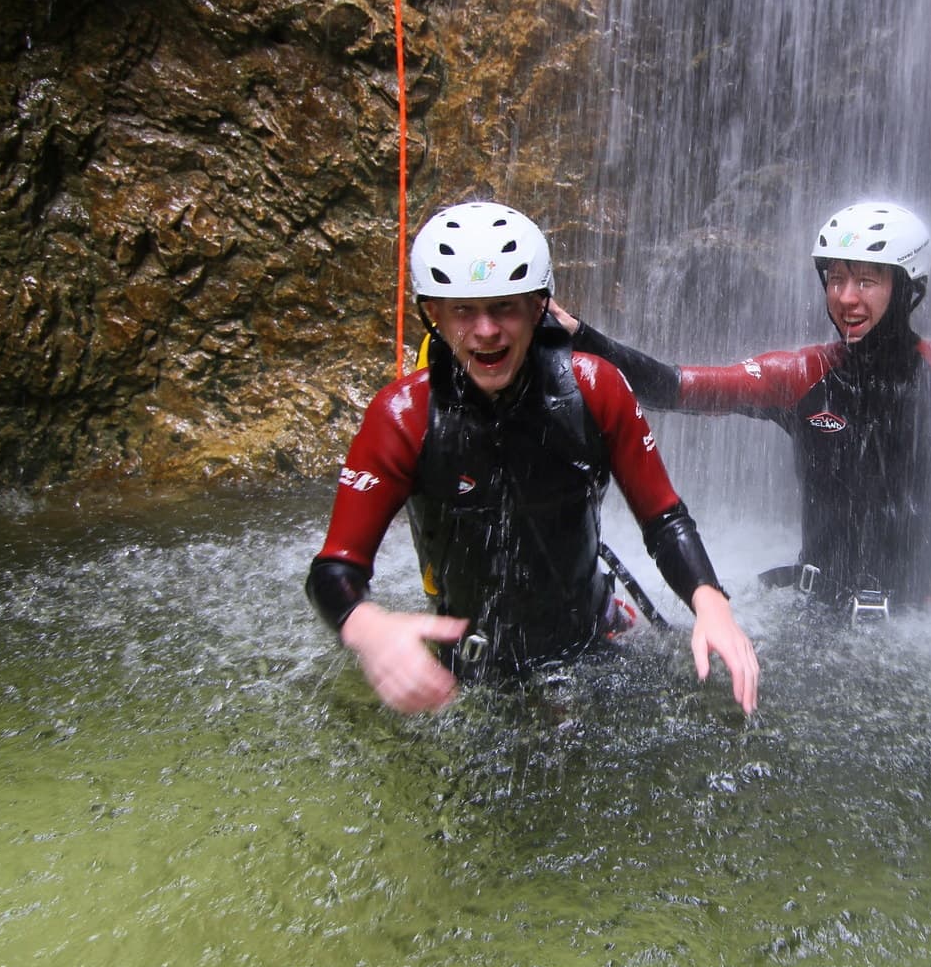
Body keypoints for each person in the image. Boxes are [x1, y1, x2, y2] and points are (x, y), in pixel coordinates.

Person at [306, 201, 759, 715]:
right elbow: (334, 568)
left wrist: (710, 601)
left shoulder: (596, 388)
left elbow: (662, 517)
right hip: (471, 666)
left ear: (538, 305)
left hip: (594, 642)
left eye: (504, 306)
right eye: (463, 310)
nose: (485, 330)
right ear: (432, 313)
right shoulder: (402, 416)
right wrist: (365, 624)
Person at [550, 201, 931, 612]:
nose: (845, 297)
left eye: (866, 279)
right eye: (835, 278)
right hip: (817, 614)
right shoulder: (800, 375)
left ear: (908, 287)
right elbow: (676, 387)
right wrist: (587, 339)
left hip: (918, 620)